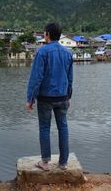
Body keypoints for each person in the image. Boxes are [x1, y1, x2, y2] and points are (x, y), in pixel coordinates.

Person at [26, 22, 73, 171]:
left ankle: (45, 162)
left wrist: (30, 98)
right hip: (63, 97)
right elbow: (70, 78)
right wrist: (69, 96)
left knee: (45, 128)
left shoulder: (42, 52)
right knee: (63, 128)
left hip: (46, 98)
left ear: (47, 34)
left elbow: (36, 78)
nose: (43, 35)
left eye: (44, 33)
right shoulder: (68, 53)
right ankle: (63, 163)